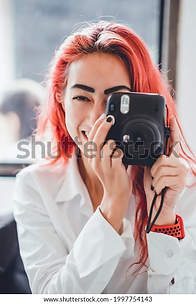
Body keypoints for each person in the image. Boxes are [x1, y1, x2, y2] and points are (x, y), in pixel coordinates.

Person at [13, 21, 196, 294]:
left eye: (116, 100)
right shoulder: (36, 186)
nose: (99, 118)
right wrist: (112, 206)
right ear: (61, 99)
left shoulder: (180, 185)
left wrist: (163, 217)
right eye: (82, 98)